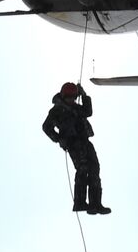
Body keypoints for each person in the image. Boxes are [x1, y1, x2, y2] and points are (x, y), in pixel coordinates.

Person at [42, 81, 111, 214]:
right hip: (73, 143)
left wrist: (83, 94)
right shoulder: (56, 110)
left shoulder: (75, 107)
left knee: (94, 168)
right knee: (83, 168)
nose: (71, 100)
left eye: (73, 97)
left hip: (85, 141)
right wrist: (59, 139)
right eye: (68, 97)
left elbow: (88, 112)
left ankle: (95, 204)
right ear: (63, 96)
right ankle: (79, 202)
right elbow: (46, 127)